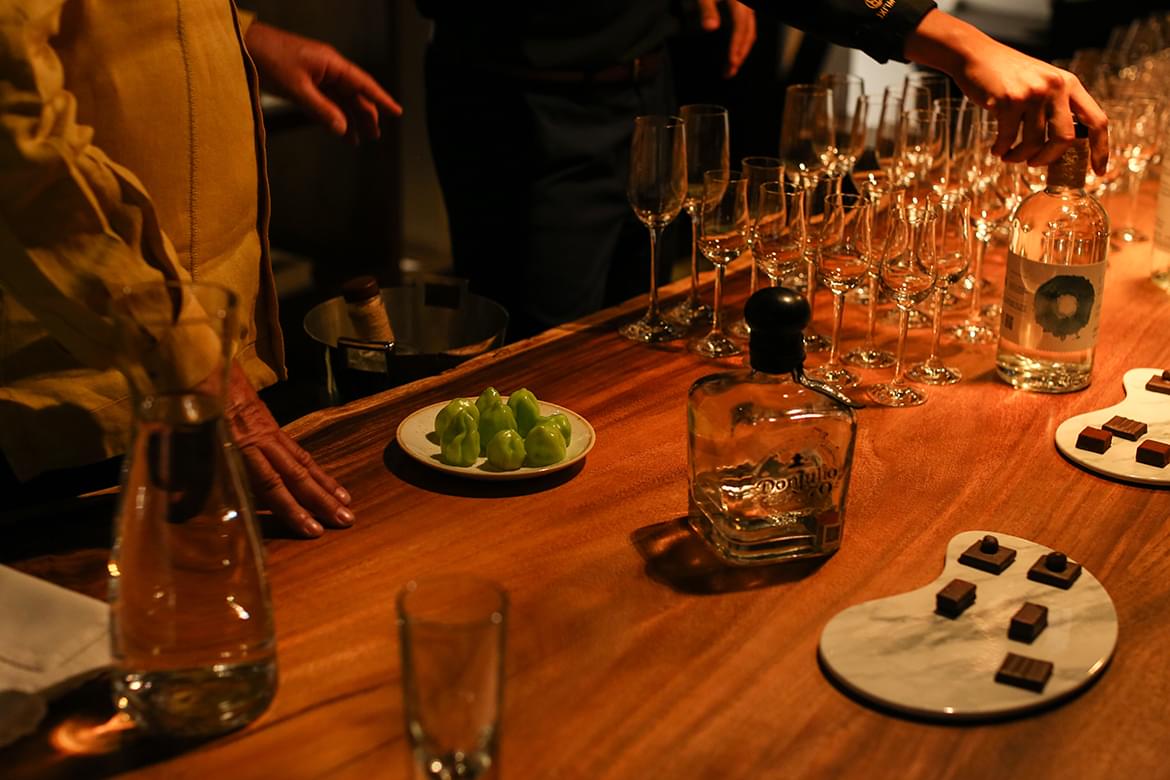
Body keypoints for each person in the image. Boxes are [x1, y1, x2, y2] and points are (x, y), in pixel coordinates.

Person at [424, 0, 1108, 342]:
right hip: (525, 104)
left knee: (631, 329)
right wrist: (962, 45)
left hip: (644, 85)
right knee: (546, 352)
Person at [0, 1, 399, 537]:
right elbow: (18, 143)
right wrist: (189, 360)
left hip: (199, 373)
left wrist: (234, 35)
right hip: (81, 399)